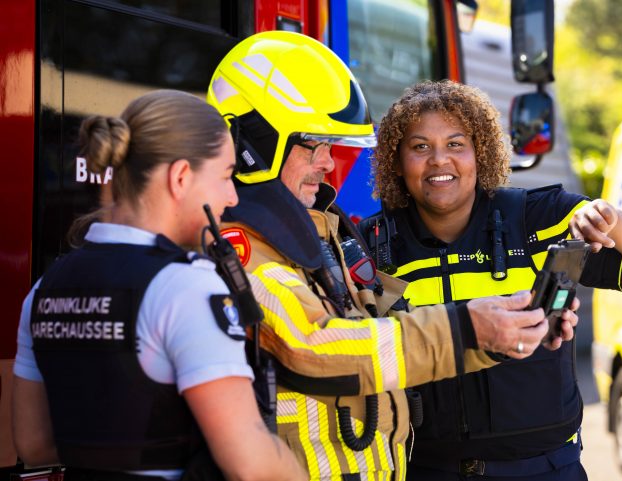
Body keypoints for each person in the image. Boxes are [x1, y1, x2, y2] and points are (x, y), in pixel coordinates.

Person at [206, 31, 574, 481]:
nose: (328, 163)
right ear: (257, 143)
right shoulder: (241, 249)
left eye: (329, 147)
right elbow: (315, 344)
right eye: (312, 146)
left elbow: (387, 330)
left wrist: (508, 326)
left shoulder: (323, 234)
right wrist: (471, 329)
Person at [359, 80, 622, 481]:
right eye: (419, 147)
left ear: (479, 153)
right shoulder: (373, 246)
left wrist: (612, 220)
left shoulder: (537, 218)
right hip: (428, 469)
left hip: (547, 469)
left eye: (455, 144)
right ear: (396, 162)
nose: (438, 161)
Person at [12, 89, 307, 481]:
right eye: (225, 175)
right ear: (180, 177)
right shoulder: (186, 286)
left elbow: (33, 443)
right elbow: (251, 464)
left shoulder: (45, 289)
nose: (231, 196)